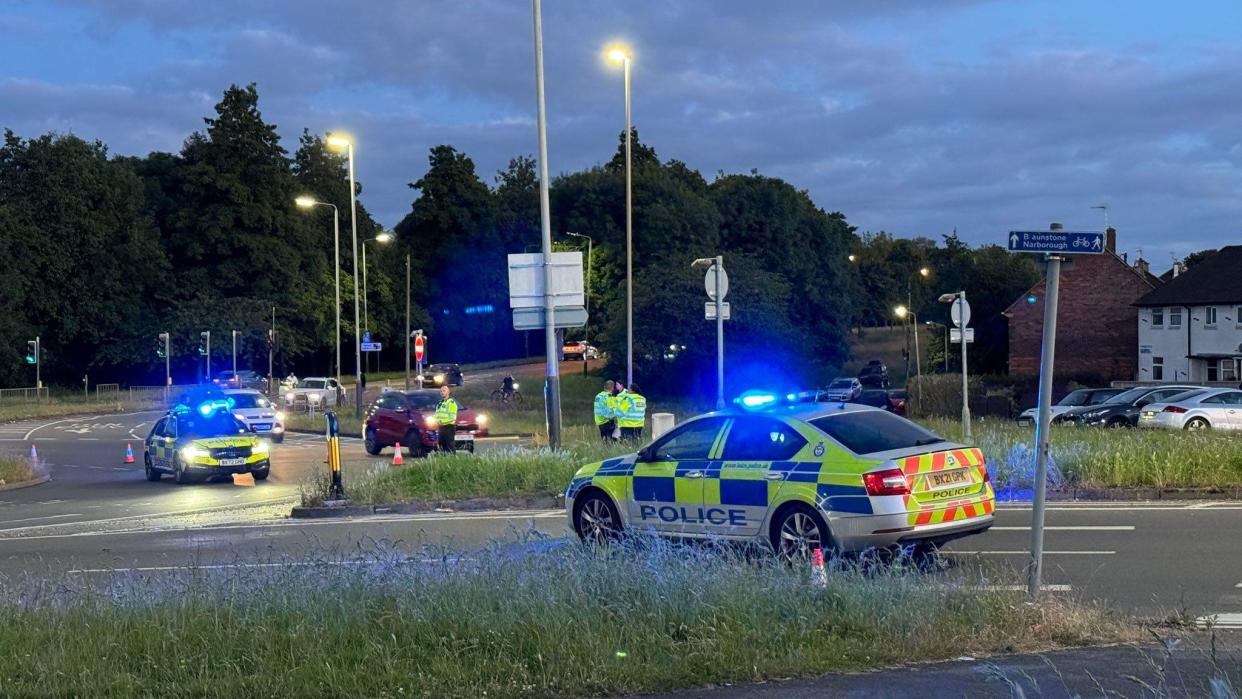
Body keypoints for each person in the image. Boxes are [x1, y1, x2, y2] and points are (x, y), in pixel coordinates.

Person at [434, 384, 459, 454]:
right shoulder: (440, 403)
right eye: (441, 391)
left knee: (450, 445)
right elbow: (436, 414)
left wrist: (442, 421)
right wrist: (437, 421)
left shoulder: (451, 403)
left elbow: (452, 417)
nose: (442, 392)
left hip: (449, 427)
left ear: (448, 392)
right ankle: (444, 459)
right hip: (441, 427)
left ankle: (452, 459)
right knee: (442, 445)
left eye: (444, 391)